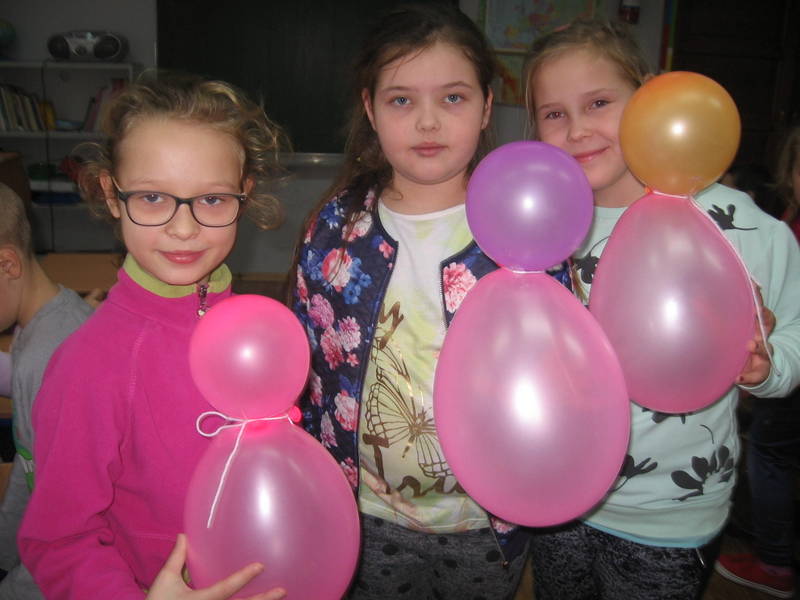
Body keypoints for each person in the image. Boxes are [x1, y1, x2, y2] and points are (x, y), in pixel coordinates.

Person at [289, 3, 570, 598]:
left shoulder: (526, 227)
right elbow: (304, 366)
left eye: (453, 98)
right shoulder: (336, 228)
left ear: (487, 106)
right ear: (370, 108)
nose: (427, 122)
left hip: (484, 521)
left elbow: (562, 371)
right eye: (401, 100)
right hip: (363, 512)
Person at [524, 18, 800, 600]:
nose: (578, 129)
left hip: (671, 514)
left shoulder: (736, 224)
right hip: (558, 495)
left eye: (599, 103)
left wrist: (766, 366)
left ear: (649, 97)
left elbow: (793, 337)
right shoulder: (539, 221)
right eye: (554, 113)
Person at [17, 73, 288, 600]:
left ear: (245, 195)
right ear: (111, 195)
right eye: (153, 197)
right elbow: (57, 540)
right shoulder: (90, 364)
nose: (183, 229)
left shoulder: (263, 329)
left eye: (212, 199)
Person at [715, 124, 800, 598]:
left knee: (770, 454)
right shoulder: (785, 224)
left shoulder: (769, 232)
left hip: (782, 386)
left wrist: (770, 359)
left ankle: (774, 560)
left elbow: (788, 327)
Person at [0, 182, 95, 599]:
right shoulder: (35, 329)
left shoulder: (48, 355)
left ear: (7, 263)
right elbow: (28, 466)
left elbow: (68, 517)